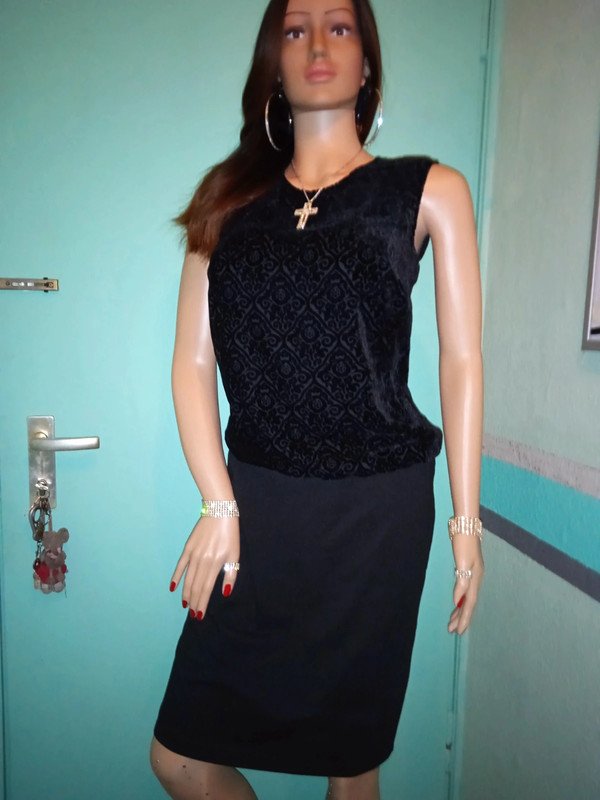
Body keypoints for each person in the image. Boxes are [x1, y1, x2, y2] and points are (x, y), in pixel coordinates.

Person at [150, 0, 484, 798]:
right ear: (275, 63)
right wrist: (217, 501)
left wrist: (466, 523)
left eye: (340, 27)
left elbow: (464, 360)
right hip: (257, 508)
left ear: (367, 63)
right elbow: (191, 364)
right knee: (178, 756)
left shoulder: (428, 190)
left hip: (376, 513)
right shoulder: (226, 202)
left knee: (351, 759)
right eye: (296, 31)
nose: (318, 45)